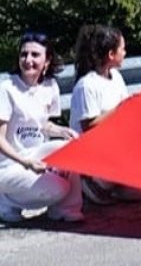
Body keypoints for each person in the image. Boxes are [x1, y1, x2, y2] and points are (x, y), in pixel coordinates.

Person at [0, 33, 83, 223]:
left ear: (47, 61)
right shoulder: (6, 89)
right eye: (24, 54)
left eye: (35, 55)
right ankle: (5, 200)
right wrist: (25, 162)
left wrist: (62, 131)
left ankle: (65, 208)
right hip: (8, 164)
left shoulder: (50, 86)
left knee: (71, 148)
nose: (28, 60)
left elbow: (43, 124)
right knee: (59, 188)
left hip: (34, 154)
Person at [70, 25, 141, 205]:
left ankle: (112, 189)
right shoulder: (87, 85)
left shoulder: (116, 77)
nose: (125, 52)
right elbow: (88, 126)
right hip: (93, 153)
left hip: (114, 145)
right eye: (122, 48)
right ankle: (89, 184)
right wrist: (120, 108)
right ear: (111, 55)